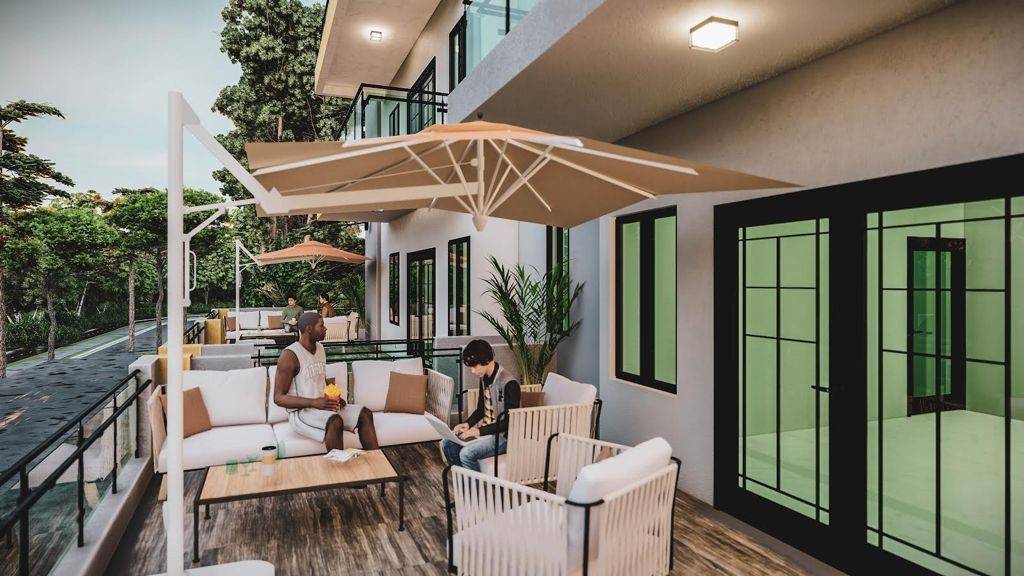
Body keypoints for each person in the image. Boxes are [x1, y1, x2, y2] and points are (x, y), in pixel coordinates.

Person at [273, 312, 379, 450]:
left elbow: (320, 379)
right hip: (302, 413)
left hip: (324, 406)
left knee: (365, 414)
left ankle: (376, 460)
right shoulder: (289, 355)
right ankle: (337, 463)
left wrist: (335, 398)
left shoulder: (320, 348)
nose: (325, 328)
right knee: (335, 421)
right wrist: (313, 402)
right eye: (321, 326)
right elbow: (278, 398)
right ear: (309, 329)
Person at [441, 339, 520, 471]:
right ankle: (463, 478)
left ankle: (474, 484)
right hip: (487, 432)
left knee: (466, 453)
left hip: (503, 437)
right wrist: (467, 424)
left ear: (486, 360)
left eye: (474, 366)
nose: (472, 371)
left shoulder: (509, 383)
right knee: (447, 443)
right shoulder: (484, 378)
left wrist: (478, 431)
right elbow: (481, 409)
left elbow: (509, 422)